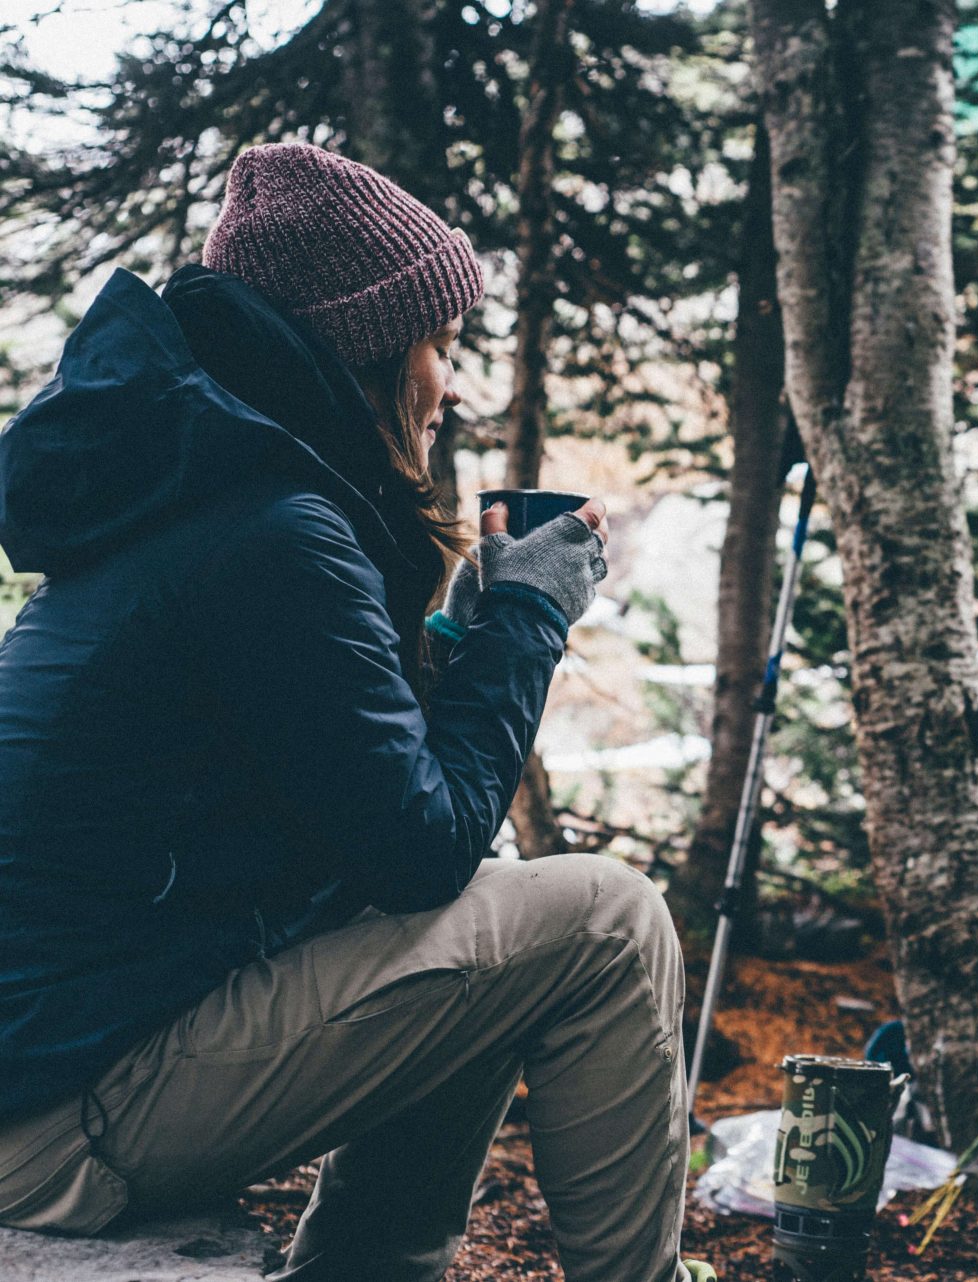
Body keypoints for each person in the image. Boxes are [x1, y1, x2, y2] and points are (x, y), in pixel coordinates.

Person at [0, 142, 709, 1282]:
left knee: (494, 924)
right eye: (438, 345)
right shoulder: (275, 530)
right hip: (58, 1118)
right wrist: (526, 619)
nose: (452, 383)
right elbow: (419, 849)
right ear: (366, 350)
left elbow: (364, 810)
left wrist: (456, 640)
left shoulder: (197, 497)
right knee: (605, 920)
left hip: (49, 1070)